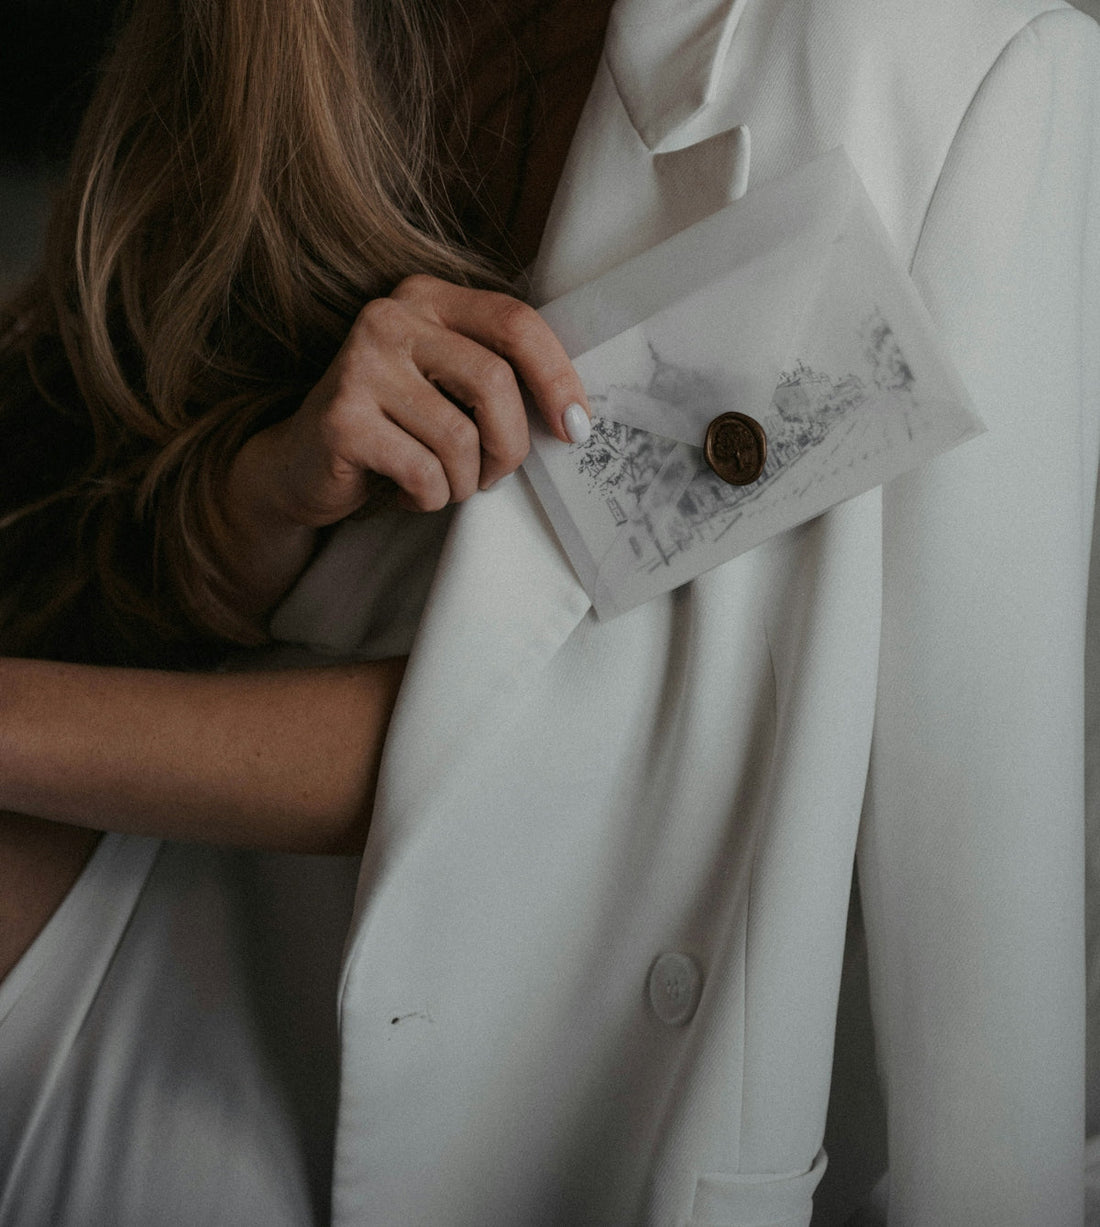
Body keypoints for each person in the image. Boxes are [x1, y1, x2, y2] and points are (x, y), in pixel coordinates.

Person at [1, 2, 1099, 1227]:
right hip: (154, 998)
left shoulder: (931, 63)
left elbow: (981, 847)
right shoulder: (265, 41)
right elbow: (102, 569)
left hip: (559, 1108)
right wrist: (260, 491)